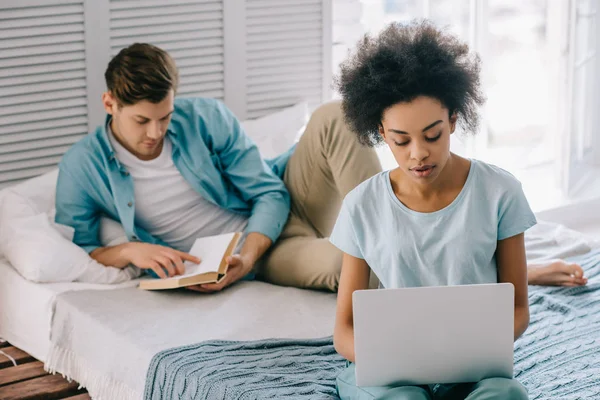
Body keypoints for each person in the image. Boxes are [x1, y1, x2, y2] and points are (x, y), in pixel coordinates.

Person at [55, 43, 585, 294]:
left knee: (332, 115)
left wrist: (248, 248)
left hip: (281, 204)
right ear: (109, 105)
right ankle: (503, 275)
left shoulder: (205, 117)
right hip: (269, 255)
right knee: (347, 268)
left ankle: (450, 246)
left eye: (165, 117)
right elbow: (79, 244)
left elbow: (267, 192)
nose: (156, 133)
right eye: (143, 120)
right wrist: (130, 251)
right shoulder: (83, 166)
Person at [330, 21, 532, 399]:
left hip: (473, 369)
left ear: (454, 119)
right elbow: (344, 329)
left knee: (507, 395)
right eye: (400, 140)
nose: (418, 153)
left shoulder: (500, 192)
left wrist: (464, 355)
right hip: (392, 375)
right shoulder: (361, 205)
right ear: (380, 131)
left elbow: (518, 307)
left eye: (433, 135)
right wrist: (393, 359)